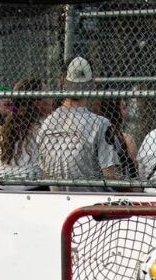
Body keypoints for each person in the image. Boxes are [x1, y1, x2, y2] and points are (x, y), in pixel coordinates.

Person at [37, 57, 121, 192]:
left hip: (56, 201)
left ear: (62, 81)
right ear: (92, 84)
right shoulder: (100, 124)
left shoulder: (47, 123)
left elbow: (44, 172)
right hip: (91, 204)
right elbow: (110, 174)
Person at [0, 78, 54, 191]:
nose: (52, 99)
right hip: (32, 189)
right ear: (38, 103)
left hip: (2, 188)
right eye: (48, 95)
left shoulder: (9, 125)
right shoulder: (44, 125)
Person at [94, 96, 139, 186]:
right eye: (123, 107)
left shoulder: (94, 133)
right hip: (120, 188)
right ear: (115, 110)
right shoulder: (126, 139)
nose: (126, 113)